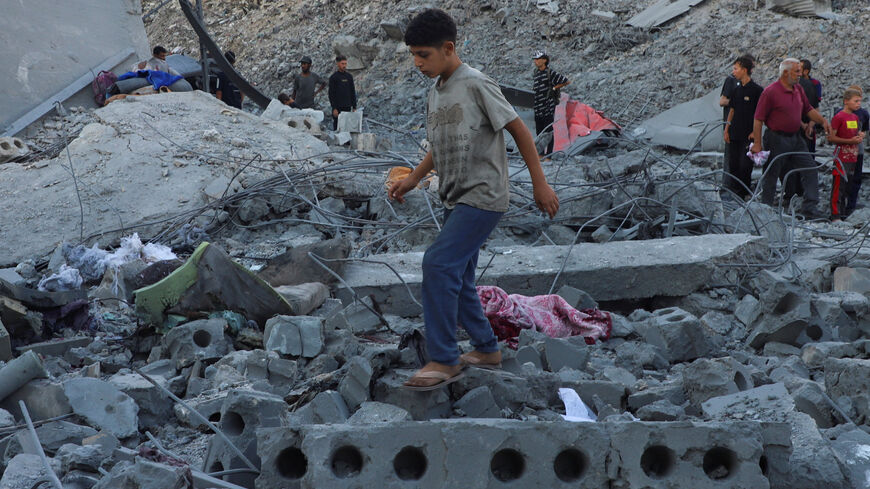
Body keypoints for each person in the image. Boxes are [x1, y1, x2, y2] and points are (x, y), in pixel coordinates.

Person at [389, 8, 558, 390]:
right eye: (413, 55)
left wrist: (539, 184)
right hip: (454, 196)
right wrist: (414, 178)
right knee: (461, 277)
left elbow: (519, 131)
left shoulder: (477, 83)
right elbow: (439, 143)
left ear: (448, 48)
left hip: (483, 195)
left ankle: (445, 358)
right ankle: (486, 348)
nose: (417, 63)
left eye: (423, 55)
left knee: (437, 264)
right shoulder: (437, 92)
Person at [751, 58, 831, 219]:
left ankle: (810, 207)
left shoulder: (798, 89)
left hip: (796, 138)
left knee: (809, 168)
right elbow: (758, 119)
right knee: (772, 174)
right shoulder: (770, 92)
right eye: (796, 71)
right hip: (776, 138)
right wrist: (758, 143)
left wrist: (823, 121)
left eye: (800, 71)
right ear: (785, 72)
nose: (800, 74)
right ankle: (766, 210)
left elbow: (808, 109)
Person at [722, 55, 763, 200]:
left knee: (744, 165)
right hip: (734, 133)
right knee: (733, 164)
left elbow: (760, 114)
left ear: (744, 70)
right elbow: (732, 110)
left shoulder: (757, 91)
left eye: (736, 69)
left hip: (748, 135)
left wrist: (755, 133)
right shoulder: (736, 90)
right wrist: (726, 129)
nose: (733, 72)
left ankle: (744, 193)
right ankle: (733, 193)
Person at [829, 88, 866, 221]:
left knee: (848, 185)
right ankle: (835, 215)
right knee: (838, 185)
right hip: (841, 156)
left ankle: (844, 212)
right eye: (855, 101)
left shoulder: (855, 117)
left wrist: (859, 136)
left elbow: (854, 132)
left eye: (859, 101)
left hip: (853, 156)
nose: (858, 104)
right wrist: (849, 141)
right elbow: (831, 138)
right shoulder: (838, 117)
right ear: (846, 101)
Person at [532, 50, 569, 156]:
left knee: (548, 130)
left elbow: (565, 81)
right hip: (537, 106)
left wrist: (554, 88)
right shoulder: (536, 73)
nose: (536, 61)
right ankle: (540, 153)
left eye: (538, 59)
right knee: (539, 131)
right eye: (535, 60)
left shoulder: (550, 72)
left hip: (547, 106)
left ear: (544, 60)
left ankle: (549, 154)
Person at [845, 85, 870, 215]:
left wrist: (862, 135)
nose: (858, 103)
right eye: (856, 100)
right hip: (844, 152)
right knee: (843, 178)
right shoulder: (841, 113)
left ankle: (851, 206)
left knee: (856, 178)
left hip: (858, 151)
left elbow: (865, 129)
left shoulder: (864, 113)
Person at [328, 55, 358, 131]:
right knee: (338, 126)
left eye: (345, 63)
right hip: (338, 107)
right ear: (338, 64)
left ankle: (347, 142)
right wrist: (334, 108)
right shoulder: (334, 77)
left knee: (347, 126)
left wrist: (354, 106)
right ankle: (337, 142)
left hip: (347, 106)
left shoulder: (349, 77)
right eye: (342, 64)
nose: (344, 66)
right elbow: (331, 94)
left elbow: (352, 91)